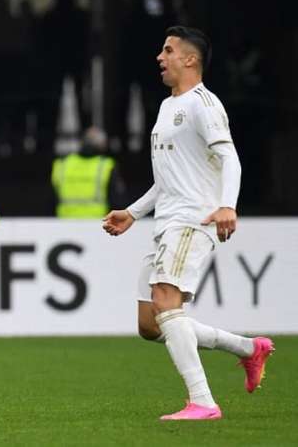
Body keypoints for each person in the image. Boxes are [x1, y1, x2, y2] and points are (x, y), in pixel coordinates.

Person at [102, 26, 274, 421]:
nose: (160, 57)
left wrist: (228, 205)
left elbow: (230, 157)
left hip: (194, 220)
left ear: (190, 59)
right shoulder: (167, 107)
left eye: (168, 51)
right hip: (167, 221)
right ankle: (250, 349)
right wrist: (133, 212)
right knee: (151, 324)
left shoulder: (204, 104)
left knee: (166, 301)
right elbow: (166, 179)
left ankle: (203, 402)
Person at [51, 127, 124, 218]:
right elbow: (117, 201)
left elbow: (51, 198)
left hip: (65, 223)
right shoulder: (106, 166)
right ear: (102, 145)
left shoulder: (62, 164)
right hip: (97, 224)